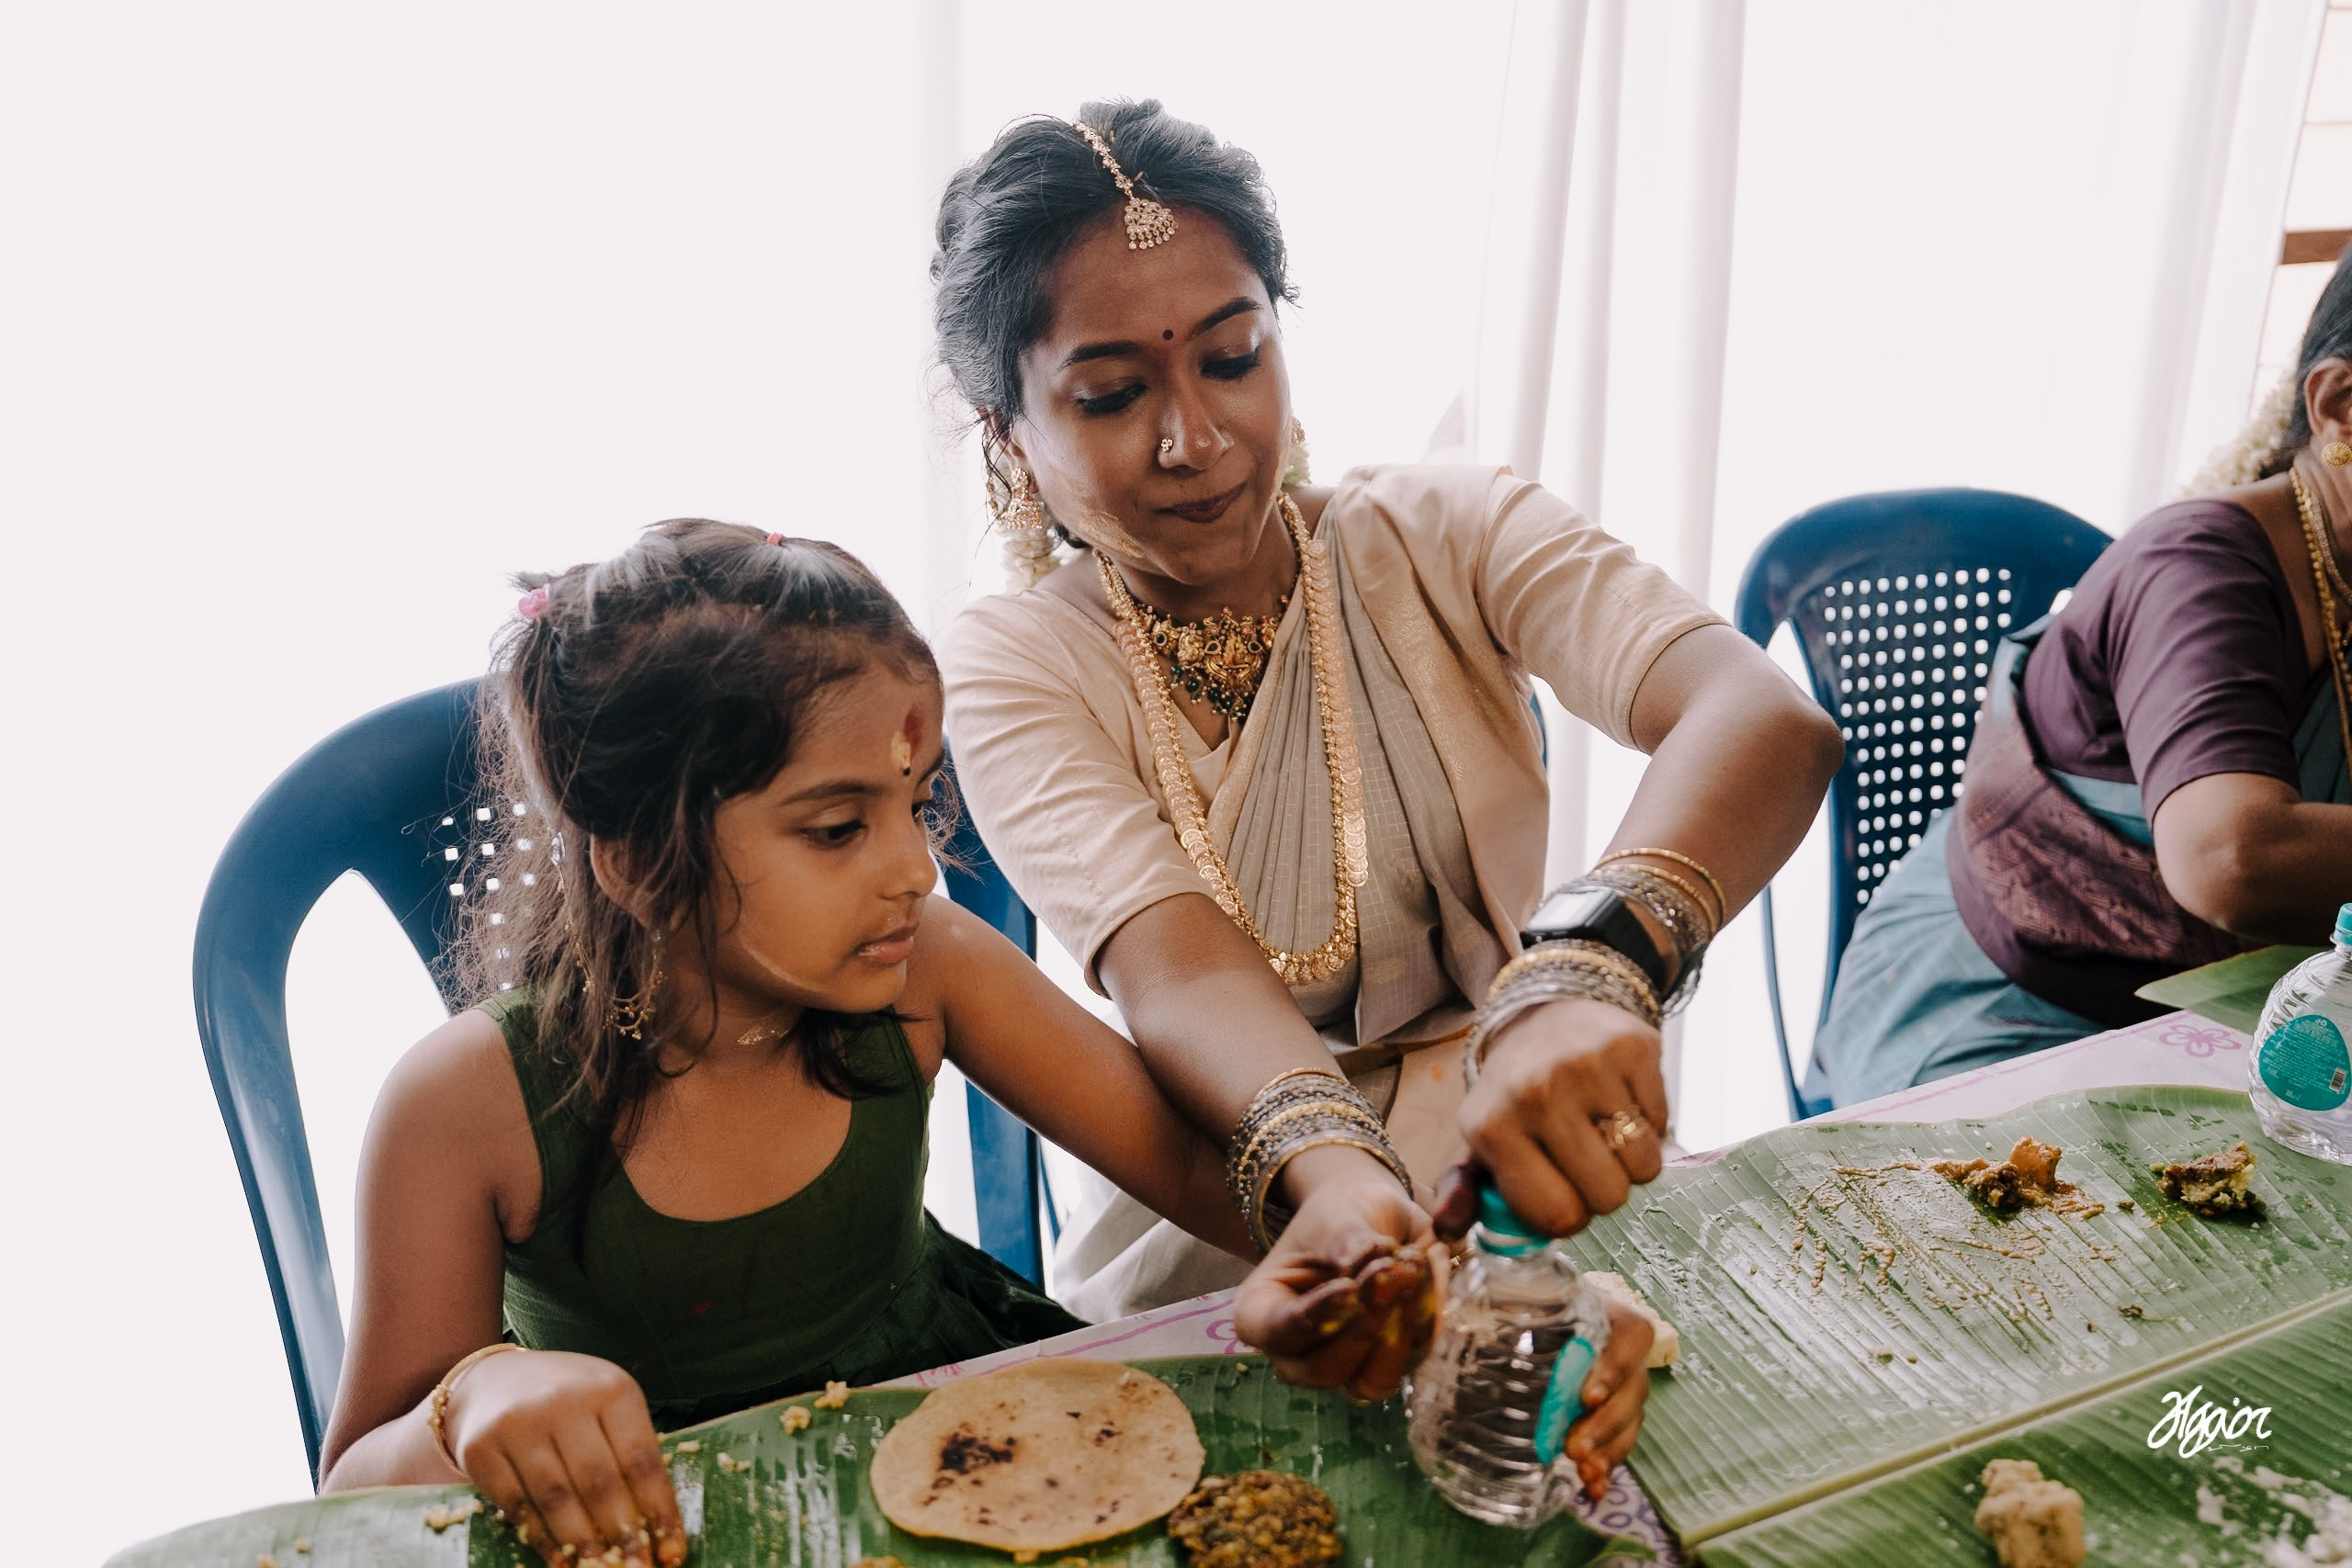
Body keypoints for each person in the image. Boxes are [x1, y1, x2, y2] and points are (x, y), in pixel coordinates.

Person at [933, 98, 1841, 1394]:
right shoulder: (1016, 661)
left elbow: (1759, 715)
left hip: (1523, 1153)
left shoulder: (1442, 528)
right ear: (1008, 437)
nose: (1196, 437)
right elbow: (1182, 973)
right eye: (1115, 394)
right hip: (1250, 1219)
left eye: (1234, 358)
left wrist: (1586, 971)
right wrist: (1349, 1190)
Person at [315, 522, 1431, 1568]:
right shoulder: (466, 1105)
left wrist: (1344, 1235)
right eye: (839, 828)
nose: (916, 869)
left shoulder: (926, 968)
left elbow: (1190, 1164)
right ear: (639, 863)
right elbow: (354, 1489)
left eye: (913, 802)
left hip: (971, 1439)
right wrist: (478, 1402)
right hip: (649, 1518)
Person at [1812, 245, 2352, 1105]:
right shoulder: (2199, 567)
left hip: (2232, 1028)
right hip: (2011, 1024)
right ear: (2339, 409)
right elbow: (2231, 855)